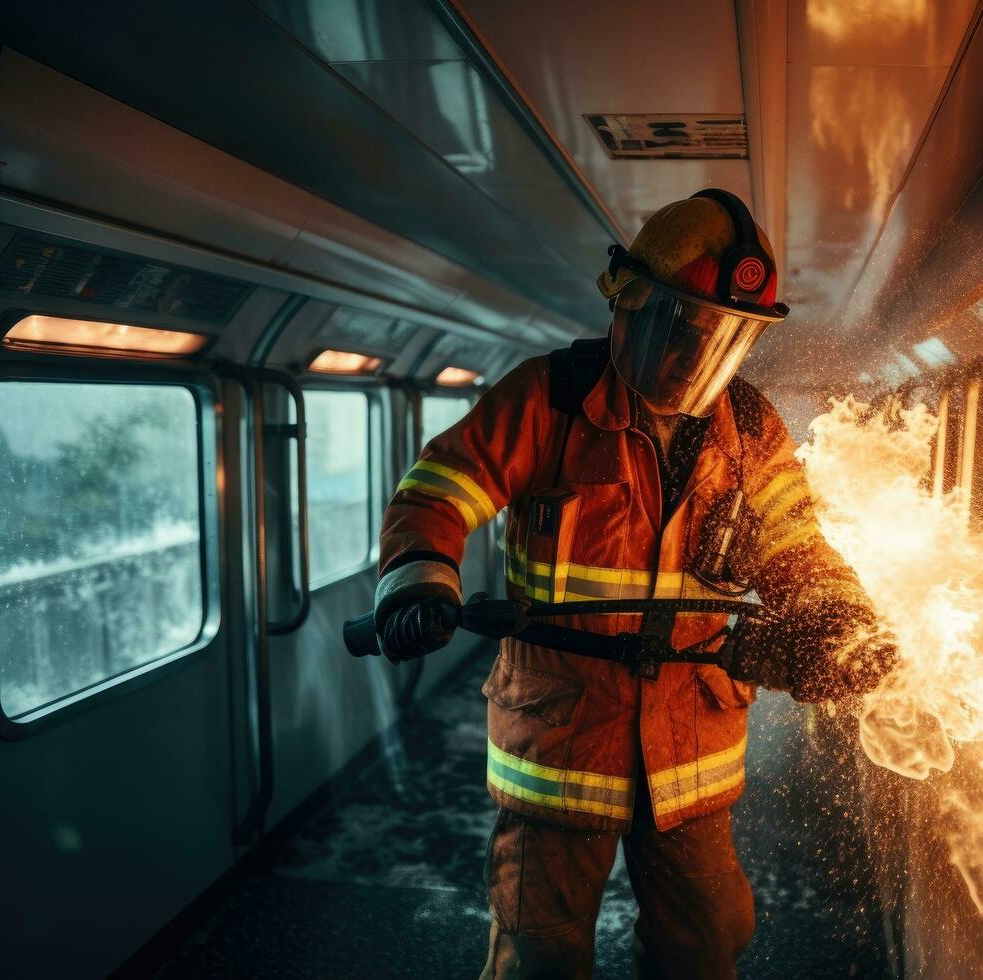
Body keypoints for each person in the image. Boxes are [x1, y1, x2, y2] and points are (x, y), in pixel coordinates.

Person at [373, 189, 896, 979]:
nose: (697, 360)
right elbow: (438, 493)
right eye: (685, 330)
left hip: (689, 756)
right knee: (538, 958)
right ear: (630, 303)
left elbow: (798, 550)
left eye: (723, 339)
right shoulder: (550, 398)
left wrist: (841, 622)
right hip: (559, 746)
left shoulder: (750, 431)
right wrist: (419, 581)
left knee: (708, 946)